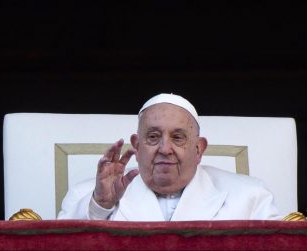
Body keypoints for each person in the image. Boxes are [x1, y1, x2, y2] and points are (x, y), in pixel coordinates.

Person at [57, 93, 282, 221]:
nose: (165, 148)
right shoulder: (87, 197)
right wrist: (102, 206)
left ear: (198, 149)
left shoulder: (251, 197)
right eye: (153, 137)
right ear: (137, 145)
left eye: (178, 137)